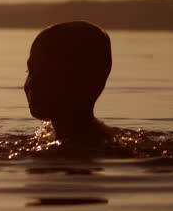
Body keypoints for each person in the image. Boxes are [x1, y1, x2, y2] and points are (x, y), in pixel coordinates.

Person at [23, 20, 114, 150]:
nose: (32, 82)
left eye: (48, 72)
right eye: (30, 70)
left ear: (85, 81)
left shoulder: (85, 147)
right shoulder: (52, 137)